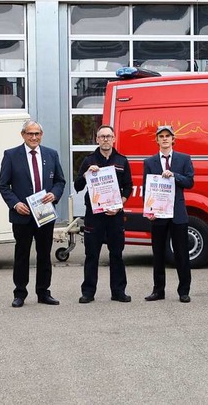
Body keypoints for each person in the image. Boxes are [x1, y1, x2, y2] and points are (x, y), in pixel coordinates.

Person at [0, 119, 66, 308]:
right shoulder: (11, 155)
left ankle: (44, 292)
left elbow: (60, 181)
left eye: (37, 134)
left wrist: (55, 194)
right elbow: (3, 185)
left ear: (41, 135)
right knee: (22, 254)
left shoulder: (51, 155)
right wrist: (15, 204)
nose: (34, 137)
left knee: (44, 254)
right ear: (23, 135)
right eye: (30, 133)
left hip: (44, 213)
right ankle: (20, 293)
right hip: (22, 214)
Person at [74, 125, 133, 304]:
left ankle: (118, 292)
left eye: (109, 136)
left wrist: (119, 205)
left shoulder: (122, 161)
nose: (105, 139)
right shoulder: (89, 160)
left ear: (114, 138)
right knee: (92, 255)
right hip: (94, 216)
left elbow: (128, 186)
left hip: (115, 216)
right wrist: (85, 174)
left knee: (117, 254)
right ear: (97, 139)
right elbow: (77, 186)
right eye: (102, 136)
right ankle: (88, 292)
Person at [142, 126, 194, 303]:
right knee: (158, 253)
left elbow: (190, 182)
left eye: (167, 136)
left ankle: (184, 291)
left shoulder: (184, 159)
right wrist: (149, 210)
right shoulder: (149, 162)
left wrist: (175, 176)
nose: (164, 139)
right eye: (161, 136)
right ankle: (158, 290)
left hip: (178, 213)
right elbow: (146, 188)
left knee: (181, 253)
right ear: (156, 140)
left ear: (173, 139)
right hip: (158, 214)